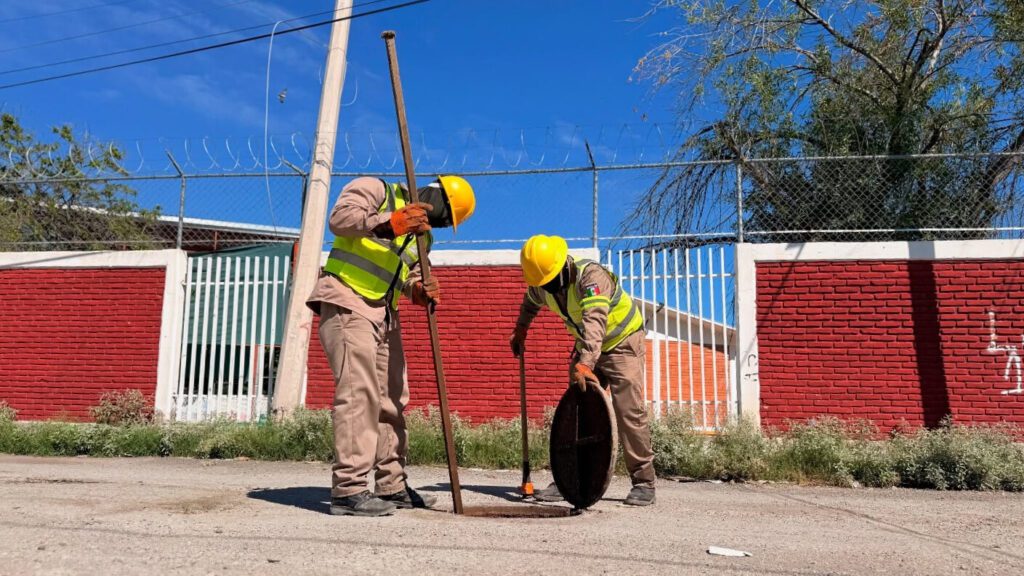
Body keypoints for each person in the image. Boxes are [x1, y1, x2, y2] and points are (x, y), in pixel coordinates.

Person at [307, 175, 475, 517]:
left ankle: (392, 484)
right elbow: (340, 220)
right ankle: (349, 490)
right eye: (445, 216)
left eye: (447, 224)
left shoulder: (423, 237)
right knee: (360, 394)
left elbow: (408, 273)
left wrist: (419, 289)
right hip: (347, 301)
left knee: (393, 400)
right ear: (436, 196)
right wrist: (388, 223)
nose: (440, 225)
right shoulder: (376, 190)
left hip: (384, 315)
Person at [510, 234, 656, 506]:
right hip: (588, 348)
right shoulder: (543, 283)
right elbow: (531, 301)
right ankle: (569, 479)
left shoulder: (591, 277)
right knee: (578, 414)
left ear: (564, 265)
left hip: (622, 343)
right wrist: (521, 329)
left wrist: (586, 363)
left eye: (552, 280)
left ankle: (644, 482)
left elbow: (595, 321)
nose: (549, 288)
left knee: (629, 412)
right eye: (544, 283)